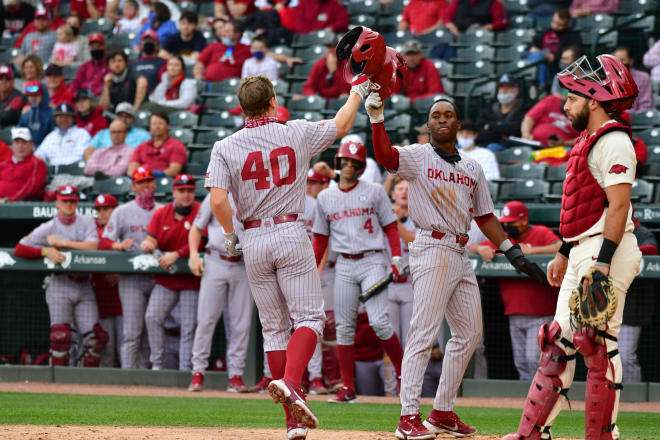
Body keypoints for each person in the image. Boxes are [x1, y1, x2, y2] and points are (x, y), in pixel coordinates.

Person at [364, 92, 546, 438]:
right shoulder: (417, 156)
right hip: (431, 246)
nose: (443, 118)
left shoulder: (472, 167)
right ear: (429, 124)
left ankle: (443, 411)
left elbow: (486, 216)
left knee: (470, 334)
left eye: (449, 114)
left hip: (461, 251)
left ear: (458, 124)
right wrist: (377, 120)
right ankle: (407, 417)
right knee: (423, 331)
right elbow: (386, 156)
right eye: (436, 115)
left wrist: (514, 253)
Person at [205, 73, 372, 439]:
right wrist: (357, 93)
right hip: (290, 230)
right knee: (310, 318)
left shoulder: (224, 146)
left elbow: (218, 200)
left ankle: (292, 422)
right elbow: (343, 122)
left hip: (252, 237)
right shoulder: (294, 130)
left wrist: (231, 236)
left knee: (274, 329)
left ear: (242, 107)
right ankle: (293, 383)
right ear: (271, 102)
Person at [501, 54, 642, 440]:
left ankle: (603, 434)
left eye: (574, 98)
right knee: (557, 341)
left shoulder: (614, 139)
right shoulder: (586, 140)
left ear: (595, 100)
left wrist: (603, 264)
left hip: (607, 250)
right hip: (582, 248)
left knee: (597, 346)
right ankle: (532, 432)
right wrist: (565, 252)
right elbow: (584, 205)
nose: (566, 105)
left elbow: (617, 206)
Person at [312, 139, 405, 404]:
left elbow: (389, 226)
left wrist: (396, 255)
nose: (349, 165)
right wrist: (312, 268)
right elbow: (320, 238)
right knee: (344, 327)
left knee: (379, 321)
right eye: (346, 161)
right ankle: (348, 388)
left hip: (373, 260)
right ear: (338, 162)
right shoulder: (325, 196)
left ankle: (403, 376)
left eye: (355, 162)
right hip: (344, 263)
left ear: (362, 166)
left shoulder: (374, 190)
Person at [14, 184, 108, 367]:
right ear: (57, 202)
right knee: (60, 338)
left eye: (72, 201)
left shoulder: (87, 220)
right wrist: (45, 251)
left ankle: (86, 384)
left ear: (77, 202)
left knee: (95, 341)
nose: (69, 205)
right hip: (60, 283)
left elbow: (93, 246)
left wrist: (64, 243)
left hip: (84, 284)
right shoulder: (49, 226)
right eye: (65, 201)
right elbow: (20, 248)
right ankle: (58, 385)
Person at [473, 201, 561, 380]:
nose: (507, 226)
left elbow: (560, 247)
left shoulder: (540, 232)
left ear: (523, 221)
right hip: (514, 313)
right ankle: (527, 400)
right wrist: (479, 248)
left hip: (541, 314)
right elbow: (471, 248)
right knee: (520, 361)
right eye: (505, 223)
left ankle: (541, 394)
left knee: (533, 359)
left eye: (511, 223)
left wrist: (533, 251)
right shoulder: (504, 239)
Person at [187, 193, 254, 393]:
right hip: (216, 259)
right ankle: (198, 372)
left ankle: (235, 375)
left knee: (240, 324)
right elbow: (196, 228)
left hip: (243, 264)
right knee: (206, 319)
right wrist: (192, 255)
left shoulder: (254, 193)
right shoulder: (216, 195)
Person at [142, 174, 202, 371]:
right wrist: (149, 244)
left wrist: (177, 254)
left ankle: (186, 370)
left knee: (188, 327)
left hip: (191, 279)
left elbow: (202, 241)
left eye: (189, 191)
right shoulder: (162, 213)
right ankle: (158, 366)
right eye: (181, 191)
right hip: (166, 279)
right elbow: (151, 238)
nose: (186, 195)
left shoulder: (201, 211)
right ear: (173, 192)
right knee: (152, 317)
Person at [102, 166, 160, 369]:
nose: (145, 186)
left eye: (148, 181)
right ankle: (128, 376)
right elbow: (104, 241)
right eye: (140, 182)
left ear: (154, 184)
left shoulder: (162, 210)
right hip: (131, 278)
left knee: (153, 331)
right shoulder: (122, 211)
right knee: (132, 332)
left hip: (158, 278)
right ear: (134, 186)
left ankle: (149, 376)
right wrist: (117, 245)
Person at [618, 219, 657, 383]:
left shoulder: (641, 233)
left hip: (632, 307)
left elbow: (652, 249)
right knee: (605, 359)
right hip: (608, 306)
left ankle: (634, 398)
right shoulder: (608, 230)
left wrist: (625, 252)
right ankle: (610, 397)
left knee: (625, 356)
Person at [92, 194, 124, 367]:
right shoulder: (93, 231)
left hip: (124, 301)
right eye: (99, 210)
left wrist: (121, 273)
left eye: (107, 209)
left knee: (126, 346)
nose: (102, 213)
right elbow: (97, 241)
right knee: (107, 349)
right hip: (101, 300)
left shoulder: (123, 229)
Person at [388, 177, 415, 351]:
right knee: (390, 340)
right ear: (392, 194)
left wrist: (396, 223)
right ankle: (391, 380)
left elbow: (414, 246)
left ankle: (407, 379)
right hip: (387, 284)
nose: (404, 192)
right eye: (399, 188)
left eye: (407, 188)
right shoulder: (383, 215)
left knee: (409, 340)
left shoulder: (420, 217)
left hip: (410, 284)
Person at [526, 9, 582, 88]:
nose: (555, 26)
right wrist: (535, 49)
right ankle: (537, 85)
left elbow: (574, 53)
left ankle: (540, 86)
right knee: (537, 56)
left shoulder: (572, 36)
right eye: (554, 22)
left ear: (567, 24)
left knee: (539, 57)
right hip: (541, 60)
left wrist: (555, 57)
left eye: (559, 24)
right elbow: (533, 45)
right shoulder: (546, 32)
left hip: (556, 65)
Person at [476, 74, 529, 152]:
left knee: (492, 148)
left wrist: (491, 126)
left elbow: (517, 129)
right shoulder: (489, 109)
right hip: (486, 145)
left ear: (516, 91)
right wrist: (502, 133)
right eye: (501, 88)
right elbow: (479, 131)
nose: (503, 91)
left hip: (511, 149)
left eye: (507, 88)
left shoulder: (524, 109)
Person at [128, 111, 187, 177]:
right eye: (154, 124)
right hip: (141, 182)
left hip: (164, 183)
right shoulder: (141, 147)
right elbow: (131, 171)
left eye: (160, 123)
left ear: (168, 126)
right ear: (150, 127)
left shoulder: (177, 145)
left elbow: (174, 171)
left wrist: (152, 175)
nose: (157, 126)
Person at [85, 103, 151, 156]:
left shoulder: (144, 135)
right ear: (115, 117)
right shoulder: (102, 133)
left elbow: (149, 155)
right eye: (120, 116)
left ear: (133, 119)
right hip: (102, 167)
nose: (123, 119)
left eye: (127, 116)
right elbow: (88, 151)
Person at [0, 127, 47, 201]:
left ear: (31, 144)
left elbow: (32, 188)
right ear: (12, 145)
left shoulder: (37, 164)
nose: (20, 146)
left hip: (22, 205)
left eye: (24, 142)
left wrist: (9, 200)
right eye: (17, 142)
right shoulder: (3, 165)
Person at [613, 46, 653, 114]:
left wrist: (628, 117)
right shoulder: (607, 79)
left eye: (622, 60)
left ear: (631, 61)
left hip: (638, 121)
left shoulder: (643, 77)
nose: (618, 63)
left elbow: (646, 106)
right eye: (615, 60)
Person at [71, 33, 110, 97]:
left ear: (104, 46)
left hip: (101, 98)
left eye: (99, 45)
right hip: (84, 98)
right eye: (93, 46)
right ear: (89, 48)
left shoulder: (109, 65)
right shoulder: (84, 66)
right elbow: (76, 84)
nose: (96, 48)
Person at [17, 80, 55, 146]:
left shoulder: (52, 114)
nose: (33, 98)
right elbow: (18, 134)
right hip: (28, 150)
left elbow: (54, 137)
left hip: (47, 149)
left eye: (36, 95)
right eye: (30, 96)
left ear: (43, 95)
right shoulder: (26, 115)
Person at [444, 0, 508, 36]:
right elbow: (446, 17)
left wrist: (483, 28)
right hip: (457, 32)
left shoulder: (493, 2)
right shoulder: (458, 1)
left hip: (480, 35)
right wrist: (452, 27)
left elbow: (502, 22)